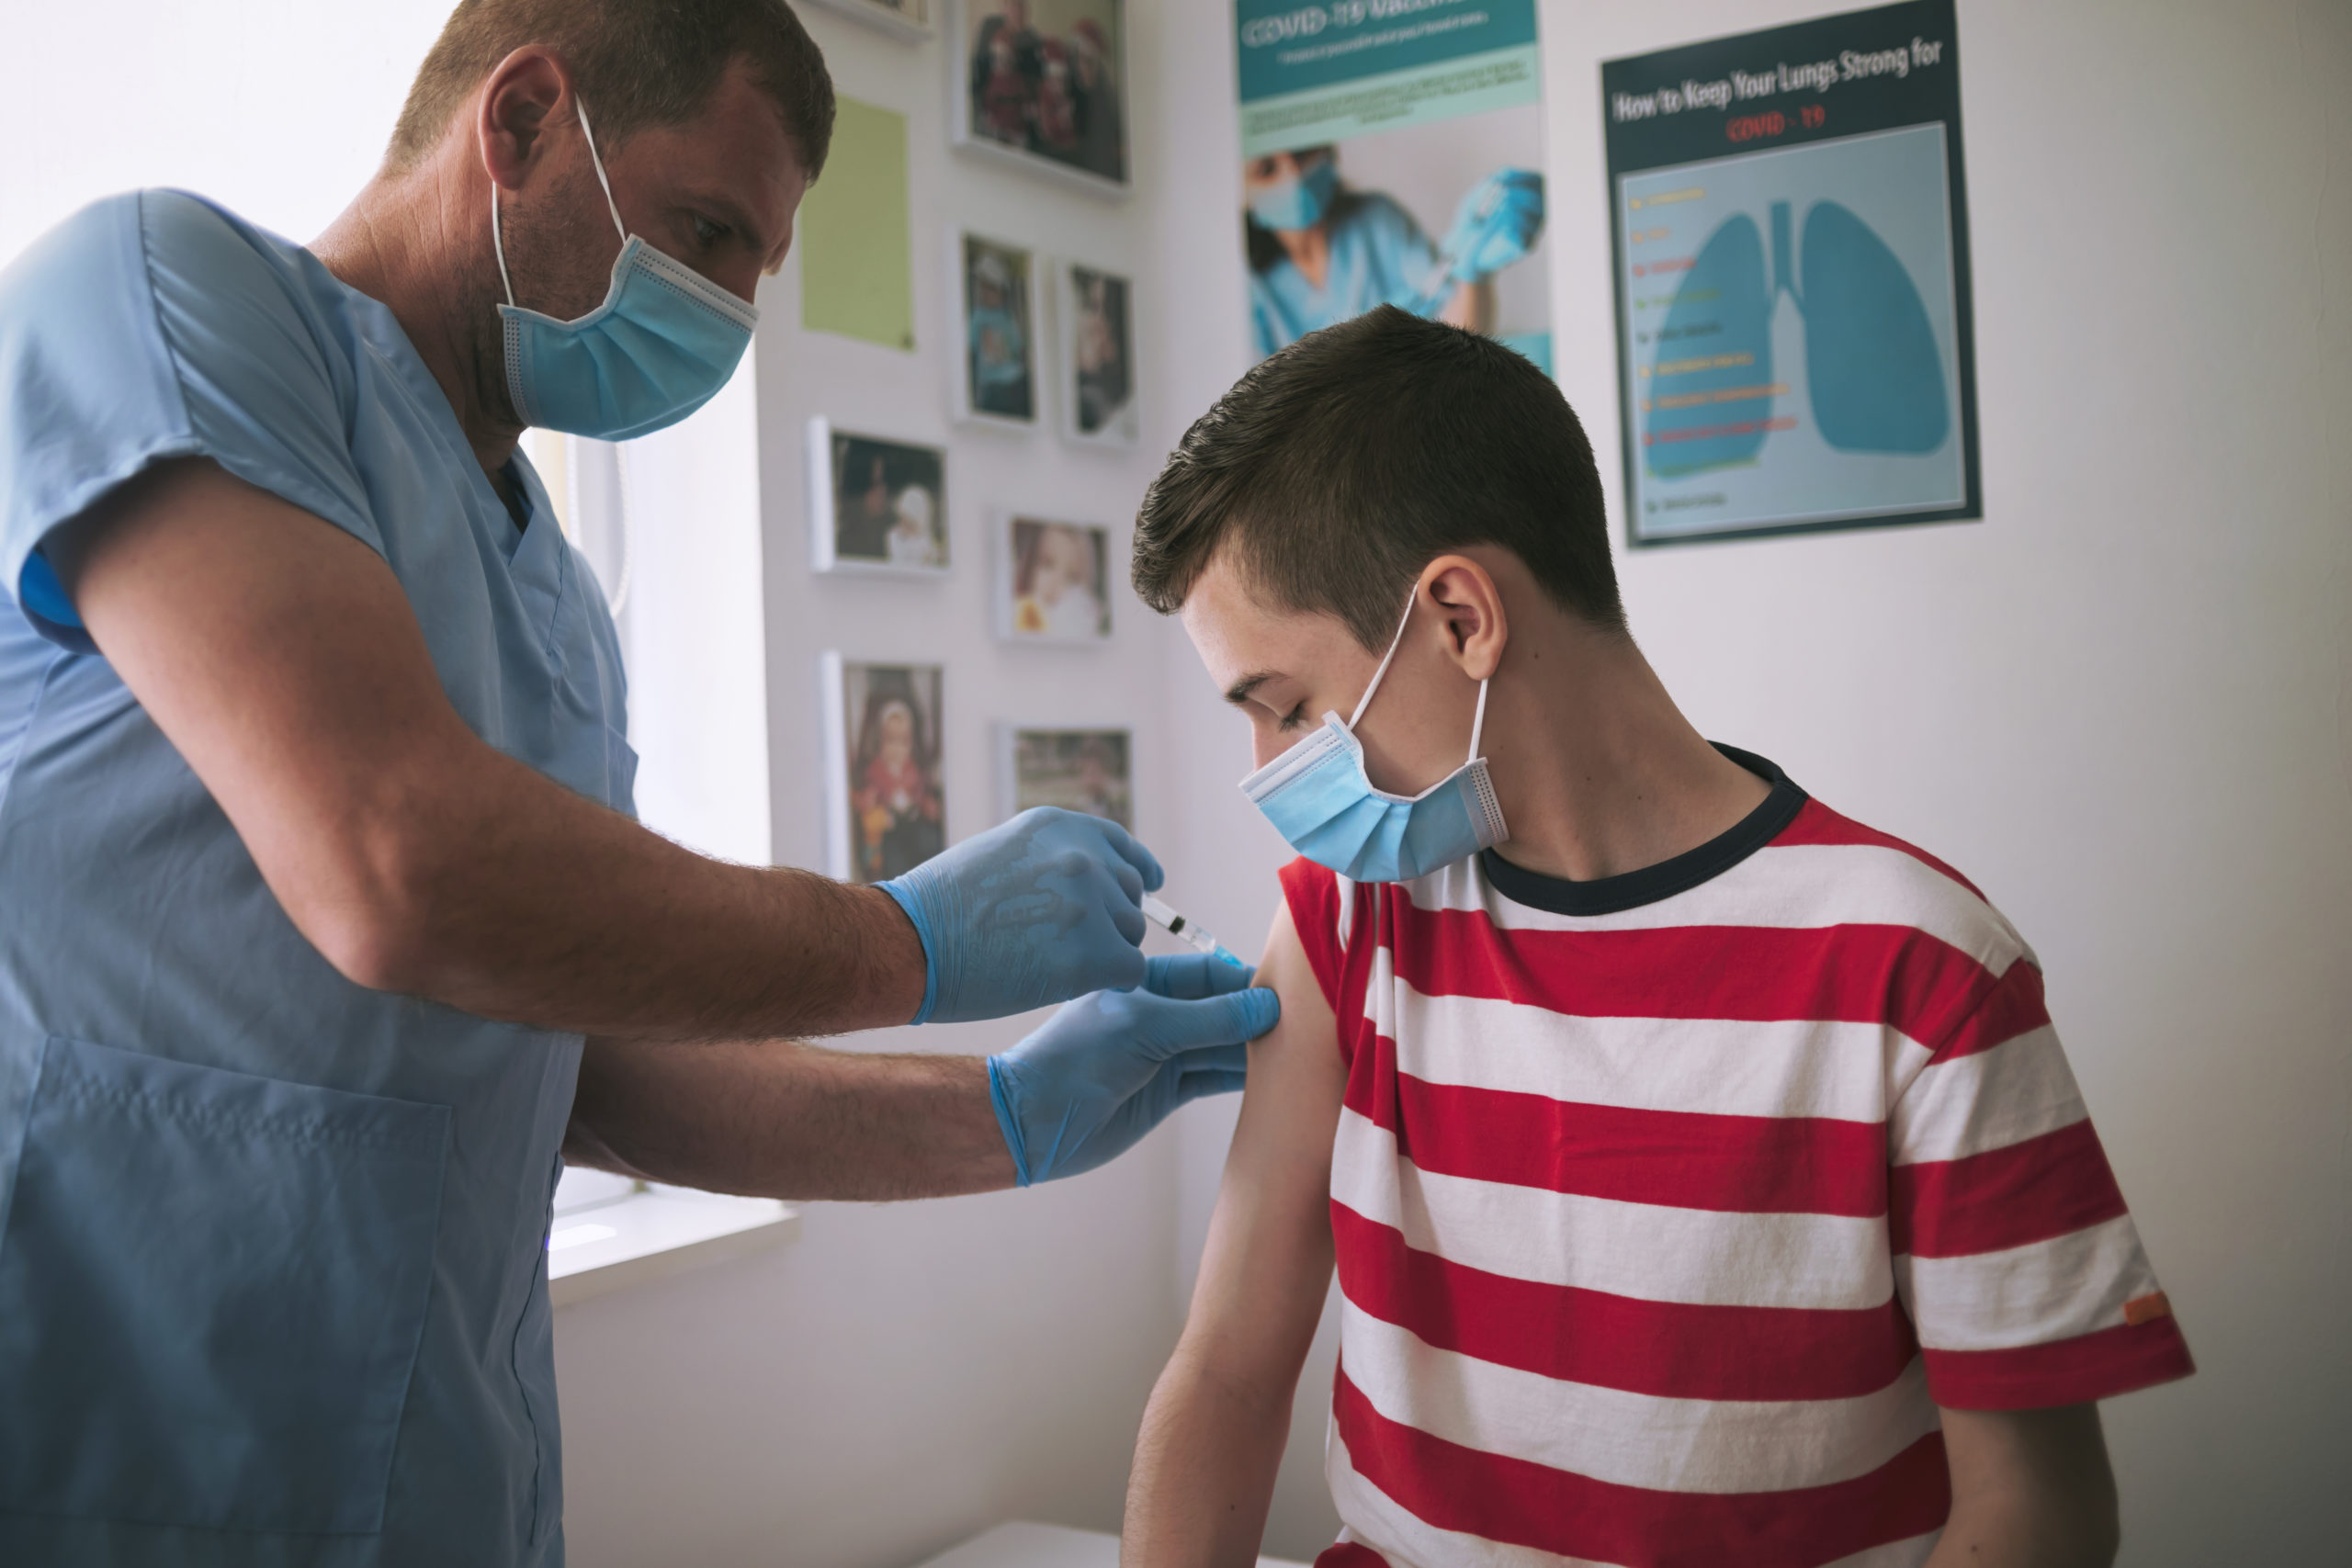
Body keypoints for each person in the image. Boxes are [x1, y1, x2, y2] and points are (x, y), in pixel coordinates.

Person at [0, 3, 1274, 1562]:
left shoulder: (561, 610)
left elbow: (571, 1068)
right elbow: (395, 866)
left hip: (434, 1488)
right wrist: (907, 944)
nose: (732, 310)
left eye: (757, 267)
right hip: (100, 1457)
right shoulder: (160, 299)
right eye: (706, 230)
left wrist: (1003, 1118)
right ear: (523, 123)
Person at [1120, 308, 2194, 1567]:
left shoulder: (1920, 976)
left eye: (1286, 706)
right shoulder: (1348, 921)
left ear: (1462, 617)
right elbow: (1228, 1374)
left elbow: (2039, 1514)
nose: (1267, 770)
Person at [1244, 145, 1544, 359]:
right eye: (1267, 169)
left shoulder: (1376, 220)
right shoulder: (1249, 283)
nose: (1294, 174)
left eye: (1300, 154)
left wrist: (1472, 276)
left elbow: (1459, 337)